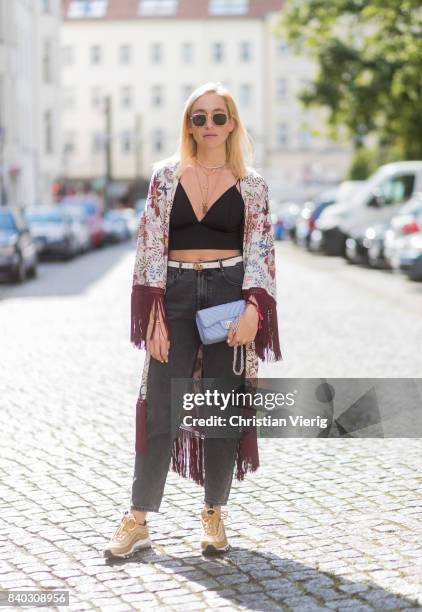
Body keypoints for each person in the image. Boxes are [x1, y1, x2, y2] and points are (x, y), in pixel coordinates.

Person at [104, 82, 282, 559]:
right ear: (188, 124)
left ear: (233, 123)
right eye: (198, 117)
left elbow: (262, 251)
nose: (208, 125)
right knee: (160, 404)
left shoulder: (254, 186)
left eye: (217, 117)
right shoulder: (165, 178)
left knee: (221, 407)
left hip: (228, 295)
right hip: (176, 294)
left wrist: (254, 310)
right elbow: (148, 248)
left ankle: (214, 513)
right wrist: (154, 315)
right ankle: (138, 519)